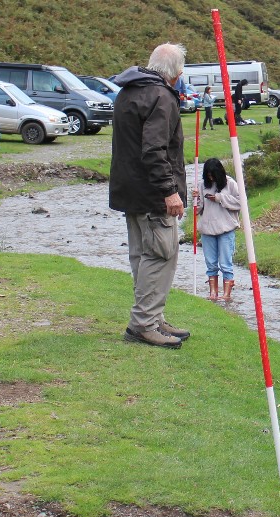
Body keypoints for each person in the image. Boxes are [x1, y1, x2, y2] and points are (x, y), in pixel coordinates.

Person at [109, 43, 190, 349]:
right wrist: (170, 191)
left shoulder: (128, 90)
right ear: (176, 73)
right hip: (153, 194)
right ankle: (143, 324)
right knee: (160, 254)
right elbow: (155, 150)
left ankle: (153, 317)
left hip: (130, 190)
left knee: (142, 256)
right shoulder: (161, 96)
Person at [194, 158, 241, 302]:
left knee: (226, 263)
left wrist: (219, 198)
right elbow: (198, 210)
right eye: (208, 175)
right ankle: (213, 292)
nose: (210, 178)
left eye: (212, 175)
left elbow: (240, 202)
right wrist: (195, 199)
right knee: (211, 263)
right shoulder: (202, 185)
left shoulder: (230, 183)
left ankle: (226, 294)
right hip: (207, 229)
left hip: (226, 229)